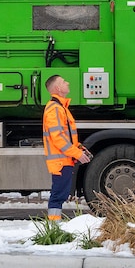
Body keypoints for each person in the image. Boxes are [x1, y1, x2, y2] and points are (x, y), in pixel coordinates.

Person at [42, 75, 91, 221]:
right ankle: (53, 226)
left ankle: (54, 224)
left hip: (63, 160)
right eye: (63, 81)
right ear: (57, 88)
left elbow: (65, 136)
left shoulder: (60, 108)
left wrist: (80, 148)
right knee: (58, 195)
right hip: (60, 161)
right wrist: (76, 153)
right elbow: (58, 137)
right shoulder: (55, 109)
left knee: (60, 194)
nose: (67, 82)